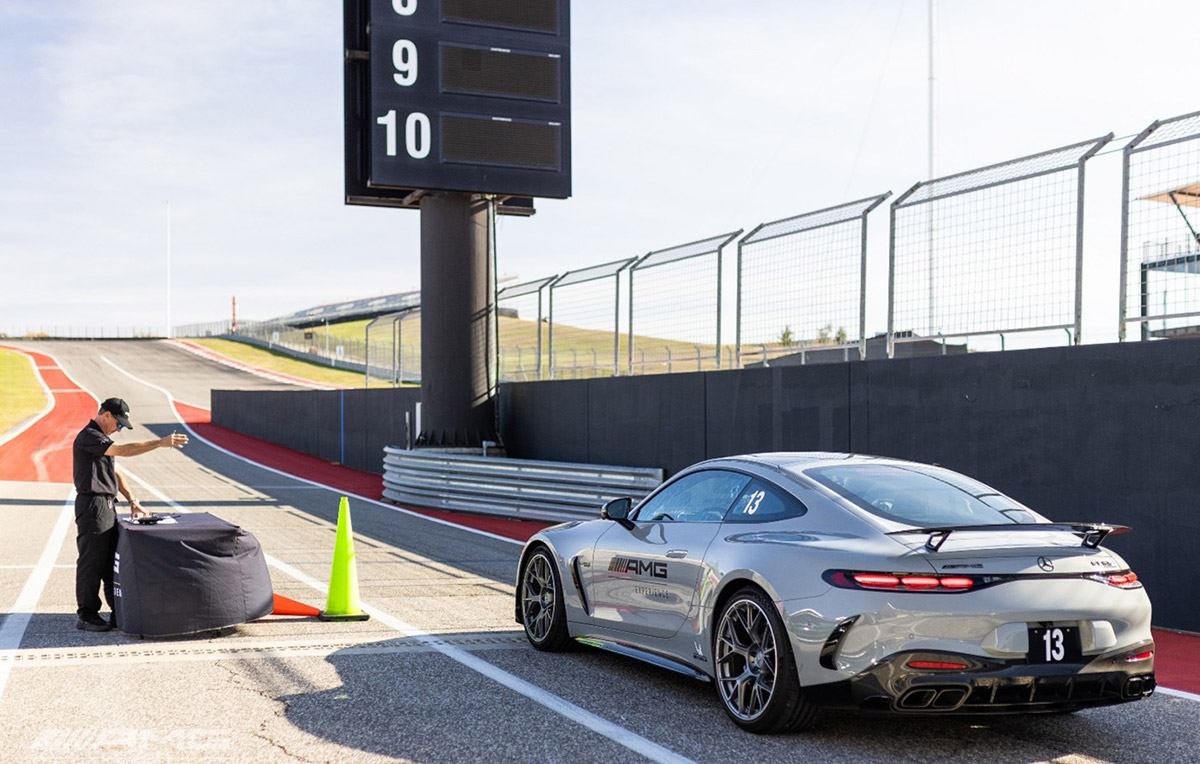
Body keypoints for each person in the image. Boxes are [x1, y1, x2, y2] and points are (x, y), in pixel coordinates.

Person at [72, 397, 188, 632]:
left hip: (106, 504)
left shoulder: (102, 439)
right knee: (91, 561)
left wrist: (132, 500)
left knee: (109, 562)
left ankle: (117, 611)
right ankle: (87, 614)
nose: (119, 429)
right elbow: (124, 451)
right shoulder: (89, 437)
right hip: (93, 505)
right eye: (118, 423)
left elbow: (115, 473)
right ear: (106, 415)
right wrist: (160, 442)